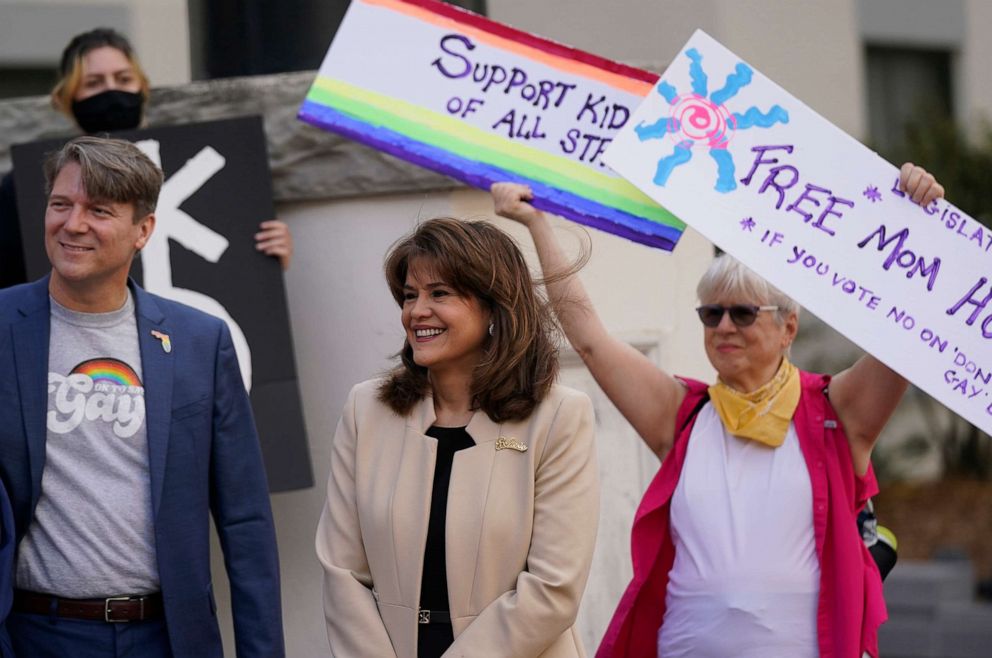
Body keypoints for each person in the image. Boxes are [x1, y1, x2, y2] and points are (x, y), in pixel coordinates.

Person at [491, 162, 944, 658]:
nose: (724, 326)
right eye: (712, 313)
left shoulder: (837, 410)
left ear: (788, 328)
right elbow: (591, 340)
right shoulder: (681, 414)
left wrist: (918, 222)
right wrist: (538, 226)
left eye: (744, 313)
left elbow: (909, 340)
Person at [0, 136, 284, 658]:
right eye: (61, 204)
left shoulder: (201, 341)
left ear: (143, 230)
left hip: (167, 637)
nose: (73, 224)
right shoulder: (2, 326)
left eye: (99, 210)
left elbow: (245, 520)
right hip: (36, 633)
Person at [315, 217, 599, 657]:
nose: (416, 311)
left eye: (439, 293)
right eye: (410, 295)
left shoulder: (559, 415)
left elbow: (553, 588)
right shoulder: (365, 410)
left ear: (493, 308)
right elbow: (342, 571)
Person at [0, 27, 292, 290]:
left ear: (142, 88)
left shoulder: (215, 162)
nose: (111, 91)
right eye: (94, 82)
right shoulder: (27, 186)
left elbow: (237, 278)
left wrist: (267, 257)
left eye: (123, 79)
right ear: (68, 98)